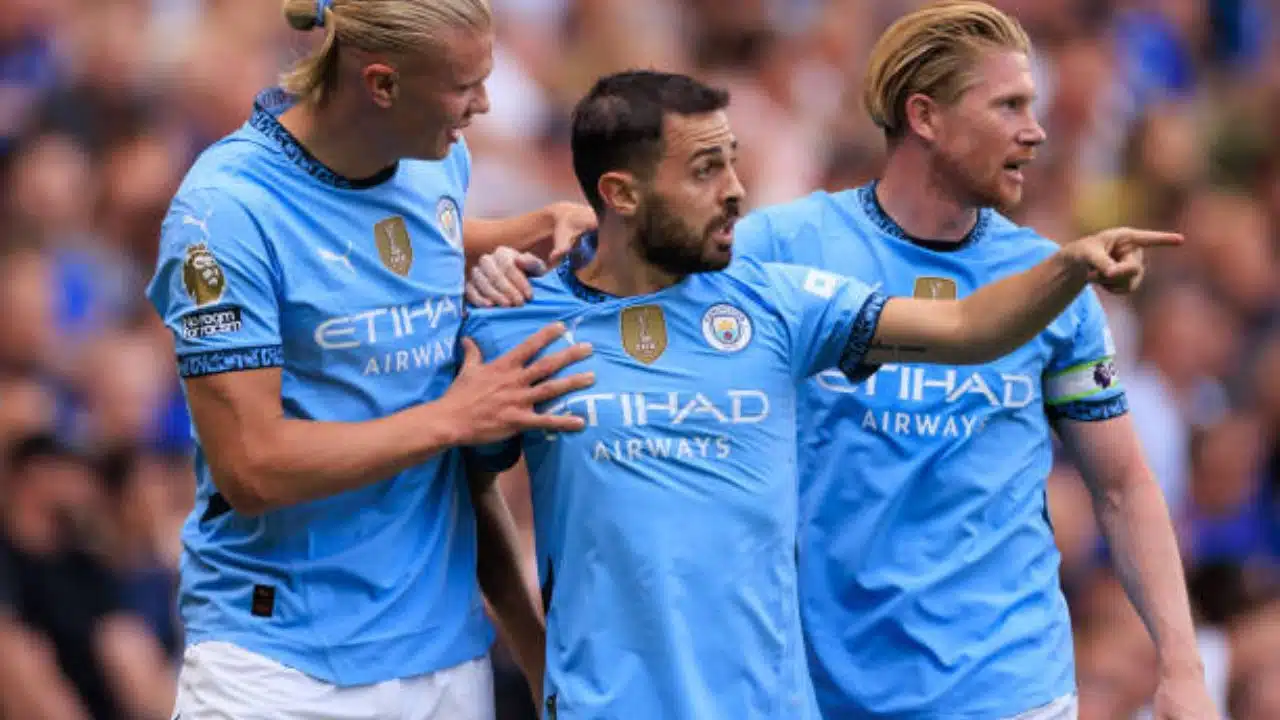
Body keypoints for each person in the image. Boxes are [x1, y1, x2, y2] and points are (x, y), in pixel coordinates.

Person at [460, 68, 1179, 719]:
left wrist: (1069, 270)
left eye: (734, 161)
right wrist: (533, 647)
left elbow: (966, 326)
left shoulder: (778, 304)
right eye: (707, 170)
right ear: (621, 194)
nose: (736, 189)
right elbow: (472, 491)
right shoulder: (520, 324)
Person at [144, 1, 598, 718]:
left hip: (447, 658)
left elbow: (406, 241)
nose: (486, 103)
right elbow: (252, 465)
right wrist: (452, 418)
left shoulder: (437, 158)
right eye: (465, 86)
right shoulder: (225, 215)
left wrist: (532, 227)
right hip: (281, 665)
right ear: (382, 85)